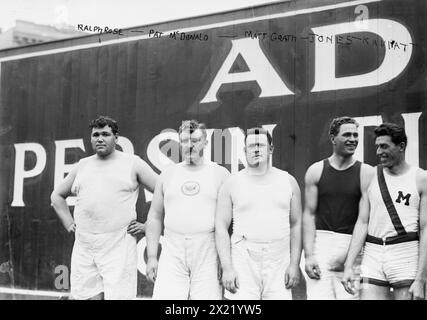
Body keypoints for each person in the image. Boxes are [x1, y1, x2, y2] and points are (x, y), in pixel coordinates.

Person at [50, 116, 158, 300]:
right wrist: (69, 223)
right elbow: (56, 196)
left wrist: (149, 225)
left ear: (116, 138)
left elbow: (163, 192)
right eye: (96, 134)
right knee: (86, 296)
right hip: (84, 244)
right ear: (91, 138)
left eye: (106, 134)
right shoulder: (82, 166)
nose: (100, 138)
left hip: (118, 243)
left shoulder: (133, 163)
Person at [145, 119, 230, 300]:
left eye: (195, 141)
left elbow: (228, 222)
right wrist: (152, 256)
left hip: (208, 247)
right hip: (172, 247)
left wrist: (226, 260)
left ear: (205, 143)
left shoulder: (220, 174)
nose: (190, 145)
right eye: (184, 141)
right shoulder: (167, 175)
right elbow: (154, 216)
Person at [342, 123, 427, 300]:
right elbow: (362, 222)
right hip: (373, 253)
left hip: (405, 253)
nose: (379, 152)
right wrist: (348, 265)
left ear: (401, 146)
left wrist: (421, 278)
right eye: (377, 146)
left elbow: (426, 229)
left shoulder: (420, 178)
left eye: (384, 146)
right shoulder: (370, 176)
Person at [215, 127, 302, 300]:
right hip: (243, 257)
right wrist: (227, 267)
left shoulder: (288, 181)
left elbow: (297, 224)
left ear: (271, 149)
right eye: (252, 146)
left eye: (261, 145)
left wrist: (294, 264)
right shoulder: (232, 184)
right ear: (244, 150)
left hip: (279, 260)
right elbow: (221, 226)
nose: (256, 149)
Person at [302, 116, 374, 299]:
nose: (353, 139)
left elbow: (363, 220)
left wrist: (349, 263)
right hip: (321, 246)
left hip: (352, 246)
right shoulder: (316, 170)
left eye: (355, 135)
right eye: (347, 134)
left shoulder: (366, 172)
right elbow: (309, 215)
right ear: (333, 138)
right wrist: (309, 255)